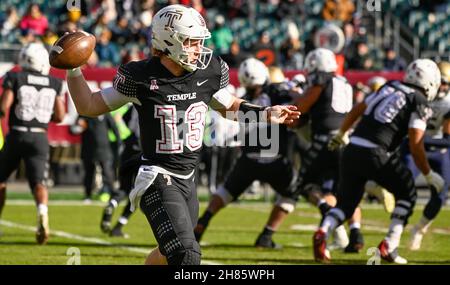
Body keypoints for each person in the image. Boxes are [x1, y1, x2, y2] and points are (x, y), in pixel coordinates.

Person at [62, 4, 299, 265]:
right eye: (191, 41)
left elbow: (229, 106)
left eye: (200, 41)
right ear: (168, 40)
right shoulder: (140, 76)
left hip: (188, 179)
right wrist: (74, 70)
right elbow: (89, 105)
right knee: (187, 255)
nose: (199, 49)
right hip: (157, 177)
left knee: (168, 253)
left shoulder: (209, 71)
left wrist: (266, 113)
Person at [315, 59, 443, 264]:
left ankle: (323, 231)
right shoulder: (418, 99)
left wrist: (341, 133)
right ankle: (390, 245)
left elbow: (358, 108)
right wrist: (428, 173)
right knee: (407, 193)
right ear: (430, 82)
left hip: (352, 148)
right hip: (375, 152)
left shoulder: (389, 87)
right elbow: (416, 143)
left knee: (346, 204)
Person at [194, 58, 300, 249]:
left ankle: (204, 221)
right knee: (291, 194)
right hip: (274, 158)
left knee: (226, 192)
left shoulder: (244, 96)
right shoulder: (276, 92)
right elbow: (294, 108)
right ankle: (266, 236)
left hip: (248, 159)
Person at [291, 48, 361, 252]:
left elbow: (301, 107)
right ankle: (356, 233)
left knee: (303, 185)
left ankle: (326, 210)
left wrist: (294, 99)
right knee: (346, 191)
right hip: (344, 141)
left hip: (325, 141)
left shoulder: (322, 80)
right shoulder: (345, 83)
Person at [0, 43, 66, 244]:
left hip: (17, 134)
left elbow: (4, 108)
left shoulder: (16, 77)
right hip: (39, 136)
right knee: (38, 182)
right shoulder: (54, 82)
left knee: (1, 179)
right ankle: (43, 213)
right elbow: (60, 115)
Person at [406, 61, 450, 250]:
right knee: (404, 186)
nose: (444, 87)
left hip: (437, 149)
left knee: (440, 196)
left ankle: (419, 229)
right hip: (416, 147)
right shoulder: (418, 96)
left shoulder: (448, 103)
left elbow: (448, 139)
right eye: (442, 82)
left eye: (447, 83)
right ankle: (396, 228)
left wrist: (419, 142)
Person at [101, 106, 141, 237]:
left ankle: (112, 204)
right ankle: (118, 227)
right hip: (144, 150)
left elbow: (125, 118)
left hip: (129, 147)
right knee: (137, 194)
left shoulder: (136, 104)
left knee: (124, 188)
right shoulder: (159, 102)